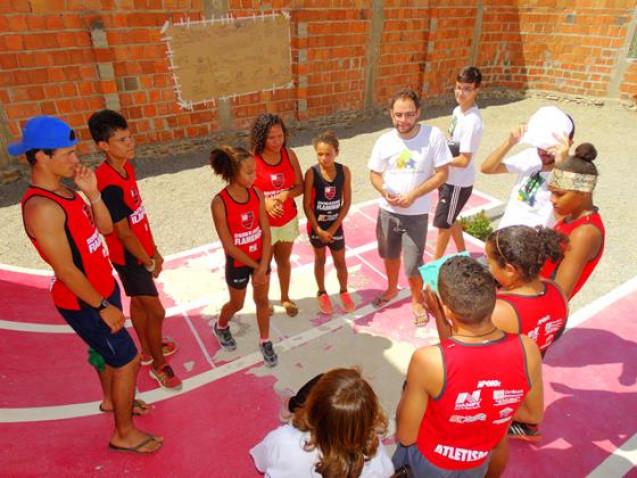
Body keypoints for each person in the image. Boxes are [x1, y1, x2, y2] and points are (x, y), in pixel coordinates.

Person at [10, 116, 162, 453]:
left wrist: (93, 194)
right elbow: (65, 269)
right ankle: (123, 433)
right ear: (40, 157)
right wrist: (101, 306)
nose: (76, 160)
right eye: (67, 154)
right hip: (85, 300)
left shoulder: (66, 190)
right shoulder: (42, 208)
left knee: (105, 352)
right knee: (128, 360)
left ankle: (114, 400)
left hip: (101, 288)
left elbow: (104, 229)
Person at [395, 256, 543, 477]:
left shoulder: (428, 361)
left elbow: (406, 435)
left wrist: (408, 390)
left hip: (430, 461)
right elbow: (533, 414)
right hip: (478, 461)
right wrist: (486, 408)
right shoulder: (527, 348)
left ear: (445, 308)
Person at [89, 109, 181, 390]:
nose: (130, 144)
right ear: (103, 146)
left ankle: (147, 349)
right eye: (121, 140)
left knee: (142, 305)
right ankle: (158, 364)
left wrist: (155, 250)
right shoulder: (107, 183)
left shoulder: (127, 167)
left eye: (129, 137)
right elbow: (123, 233)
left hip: (141, 251)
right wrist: (148, 260)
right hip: (129, 257)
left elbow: (138, 217)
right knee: (157, 311)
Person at [368, 88, 451, 325]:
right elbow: (374, 175)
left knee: (414, 263)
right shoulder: (384, 140)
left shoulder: (433, 136)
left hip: (416, 215)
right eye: (399, 115)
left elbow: (442, 174)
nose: (403, 120)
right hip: (387, 211)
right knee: (389, 255)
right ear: (390, 114)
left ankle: (416, 300)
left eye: (409, 114)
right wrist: (384, 190)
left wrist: (414, 195)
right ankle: (392, 289)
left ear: (418, 113)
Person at [485, 225, 568, 443]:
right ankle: (524, 424)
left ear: (510, 269)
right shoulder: (556, 289)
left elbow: (470, 352)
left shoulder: (500, 309)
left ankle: (506, 421)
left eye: (490, 261)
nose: (488, 267)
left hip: (504, 384)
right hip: (530, 374)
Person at [250, 368, 395, 477]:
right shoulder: (375, 455)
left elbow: (261, 462)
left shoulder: (284, 440)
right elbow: (388, 471)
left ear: (313, 407)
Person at [210, 146, 277, 367]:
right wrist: (256, 267)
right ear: (232, 172)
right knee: (237, 304)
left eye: (255, 171)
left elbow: (266, 231)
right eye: (249, 172)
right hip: (239, 262)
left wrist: (263, 264)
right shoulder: (220, 203)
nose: (254, 176)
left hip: (261, 258)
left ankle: (265, 340)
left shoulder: (257, 193)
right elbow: (229, 246)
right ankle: (221, 325)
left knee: (262, 301)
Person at [480, 106, 575, 229]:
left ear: (569, 143)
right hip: (505, 234)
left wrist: (561, 165)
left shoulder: (571, 172)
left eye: (549, 147)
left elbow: (565, 210)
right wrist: (509, 142)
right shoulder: (530, 156)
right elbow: (487, 168)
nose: (543, 151)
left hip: (534, 243)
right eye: (540, 145)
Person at [250, 113, 304, 317]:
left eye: (280, 136)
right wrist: (265, 203)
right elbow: (245, 195)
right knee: (263, 266)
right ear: (261, 137)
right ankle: (262, 301)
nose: (277, 141)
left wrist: (286, 194)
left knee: (284, 261)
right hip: (263, 225)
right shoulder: (252, 160)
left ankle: (285, 297)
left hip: (287, 220)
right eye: (271, 137)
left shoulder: (289, 155)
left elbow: (300, 187)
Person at [540, 143, 604, 299]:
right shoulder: (570, 217)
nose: (552, 200)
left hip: (540, 314)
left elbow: (560, 294)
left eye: (559, 194)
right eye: (551, 193)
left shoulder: (584, 233)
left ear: (583, 193)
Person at [433, 66, 484, 259]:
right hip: (448, 177)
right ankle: (463, 252)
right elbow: (452, 142)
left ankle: (433, 268)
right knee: (450, 217)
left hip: (457, 183)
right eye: (458, 87)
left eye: (466, 89)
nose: (460, 93)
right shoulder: (457, 111)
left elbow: (464, 160)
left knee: (443, 224)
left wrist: (439, 162)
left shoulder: (473, 122)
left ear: (476, 90)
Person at [303, 130, 355, 315]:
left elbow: (347, 202)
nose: (324, 158)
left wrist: (333, 228)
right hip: (316, 227)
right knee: (320, 259)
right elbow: (307, 205)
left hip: (335, 226)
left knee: (340, 261)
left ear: (336, 153)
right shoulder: (311, 173)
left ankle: (344, 291)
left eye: (328, 154)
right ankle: (322, 292)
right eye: (320, 154)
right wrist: (318, 229)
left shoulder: (344, 171)